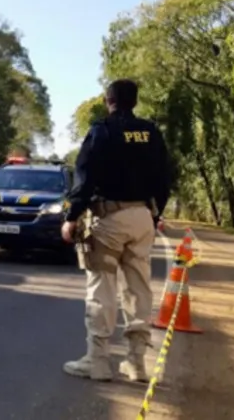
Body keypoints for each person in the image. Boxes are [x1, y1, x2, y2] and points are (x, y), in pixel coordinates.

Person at [59, 79, 171, 383]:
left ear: (109, 100)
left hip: (109, 219)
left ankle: (97, 361)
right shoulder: (151, 133)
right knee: (138, 289)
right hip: (142, 217)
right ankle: (136, 364)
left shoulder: (102, 131)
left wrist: (72, 216)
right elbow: (164, 177)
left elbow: (83, 176)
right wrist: (155, 211)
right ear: (134, 101)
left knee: (102, 288)